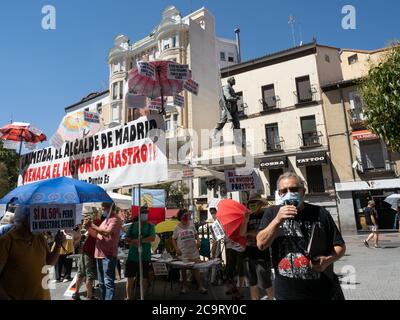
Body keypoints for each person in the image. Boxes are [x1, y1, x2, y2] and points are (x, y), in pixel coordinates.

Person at [257, 171, 346, 300]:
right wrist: (277, 220)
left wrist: (327, 260)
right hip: (287, 293)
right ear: (280, 194)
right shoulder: (272, 213)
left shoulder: (321, 213)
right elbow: (261, 244)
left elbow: (340, 246)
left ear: (303, 192)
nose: (289, 193)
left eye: (293, 189)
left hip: (321, 291)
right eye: (284, 190)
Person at [0, 205, 65, 300]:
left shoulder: (40, 238)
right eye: (38, 217)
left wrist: (58, 244)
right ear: (25, 220)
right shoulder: (6, 242)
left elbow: (49, 264)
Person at [84, 202, 122, 300]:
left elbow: (106, 233)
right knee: (101, 283)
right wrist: (88, 227)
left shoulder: (116, 219)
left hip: (108, 255)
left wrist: (92, 225)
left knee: (108, 282)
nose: (103, 209)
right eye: (102, 207)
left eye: (105, 207)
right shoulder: (105, 220)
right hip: (99, 255)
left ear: (111, 208)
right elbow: (97, 235)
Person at [245, 194, 274, 300]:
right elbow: (243, 233)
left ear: (260, 203)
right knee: (252, 282)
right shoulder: (248, 217)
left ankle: (272, 298)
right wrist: (246, 221)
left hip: (262, 253)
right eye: (250, 203)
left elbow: (267, 233)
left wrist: (255, 233)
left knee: (266, 281)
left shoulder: (266, 216)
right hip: (249, 253)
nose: (252, 205)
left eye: (255, 202)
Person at [172, 209, 207, 294]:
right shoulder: (177, 227)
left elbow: (196, 234)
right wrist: (177, 249)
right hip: (183, 252)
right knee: (183, 269)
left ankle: (200, 286)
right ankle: (184, 287)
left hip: (193, 251)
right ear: (180, 217)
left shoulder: (191, 225)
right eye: (185, 216)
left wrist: (198, 241)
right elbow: (173, 239)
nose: (186, 217)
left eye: (187, 216)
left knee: (196, 268)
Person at [125, 206, 156, 300]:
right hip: (132, 256)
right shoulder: (133, 225)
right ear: (139, 214)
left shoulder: (151, 226)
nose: (144, 214)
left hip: (145, 256)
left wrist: (140, 240)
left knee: (144, 278)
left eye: (146, 212)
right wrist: (133, 241)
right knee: (130, 278)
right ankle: (128, 297)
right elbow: (126, 238)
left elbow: (152, 238)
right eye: (143, 212)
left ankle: (143, 297)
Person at [73, 212, 102, 300]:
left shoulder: (96, 222)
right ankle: (90, 296)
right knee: (89, 274)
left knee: (80, 273)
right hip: (90, 251)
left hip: (85, 249)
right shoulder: (99, 222)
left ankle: (76, 293)